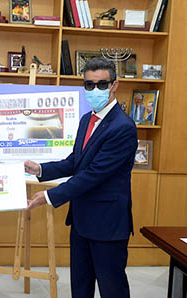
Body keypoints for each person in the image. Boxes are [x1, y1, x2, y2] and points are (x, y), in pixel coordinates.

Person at [24, 57, 138, 298]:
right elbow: (76, 162)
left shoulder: (122, 127)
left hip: (107, 224)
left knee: (112, 287)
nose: (94, 90)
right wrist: (41, 170)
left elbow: (94, 174)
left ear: (114, 85)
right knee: (80, 285)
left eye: (101, 84)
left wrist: (48, 196)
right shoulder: (87, 119)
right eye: (89, 84)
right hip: (82, 220)